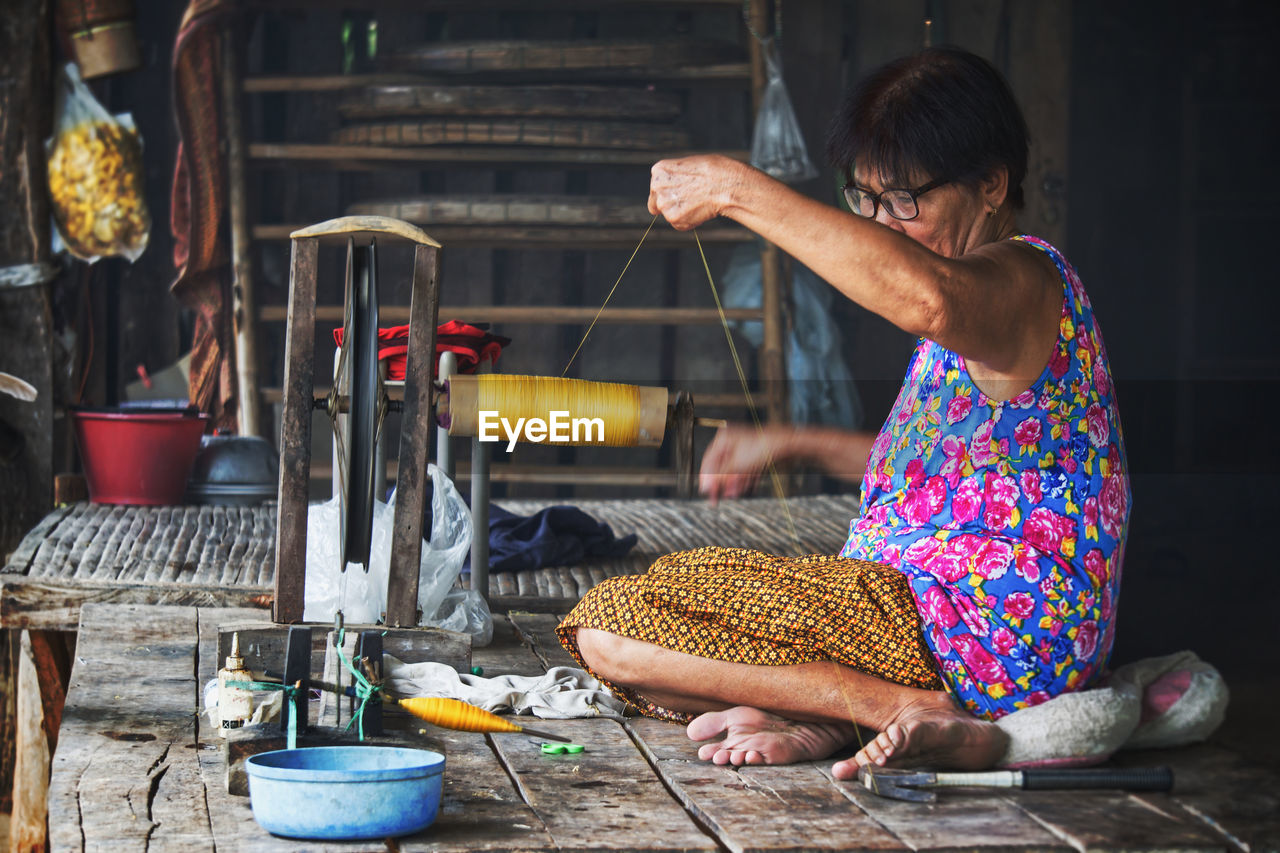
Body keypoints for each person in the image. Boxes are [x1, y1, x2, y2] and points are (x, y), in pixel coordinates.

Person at [556, 46, 1130, 779]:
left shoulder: (1019, 280)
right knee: (665, 663)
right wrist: (788, 441)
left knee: (606, 629)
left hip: (979, 634)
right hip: (949, 627)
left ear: (991, 184)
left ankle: (885, 704)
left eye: (904, 200)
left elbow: (929, 295)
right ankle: (834, 717)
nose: (882, 224)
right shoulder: (981, 325)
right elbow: (961, 475)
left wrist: (734, 188)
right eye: (864, 198)